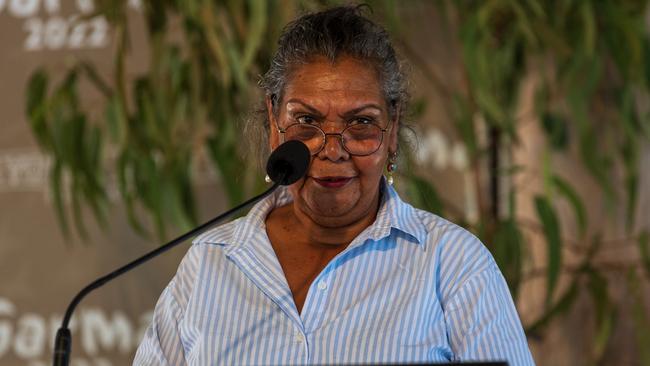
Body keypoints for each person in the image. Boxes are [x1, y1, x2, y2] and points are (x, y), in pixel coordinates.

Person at [134, 6, 535, 366]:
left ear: (392, 130)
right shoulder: (210, 263)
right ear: (275, 125)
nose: (332, 150)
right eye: (306, 121)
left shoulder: (455, 265)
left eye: (360, 123)